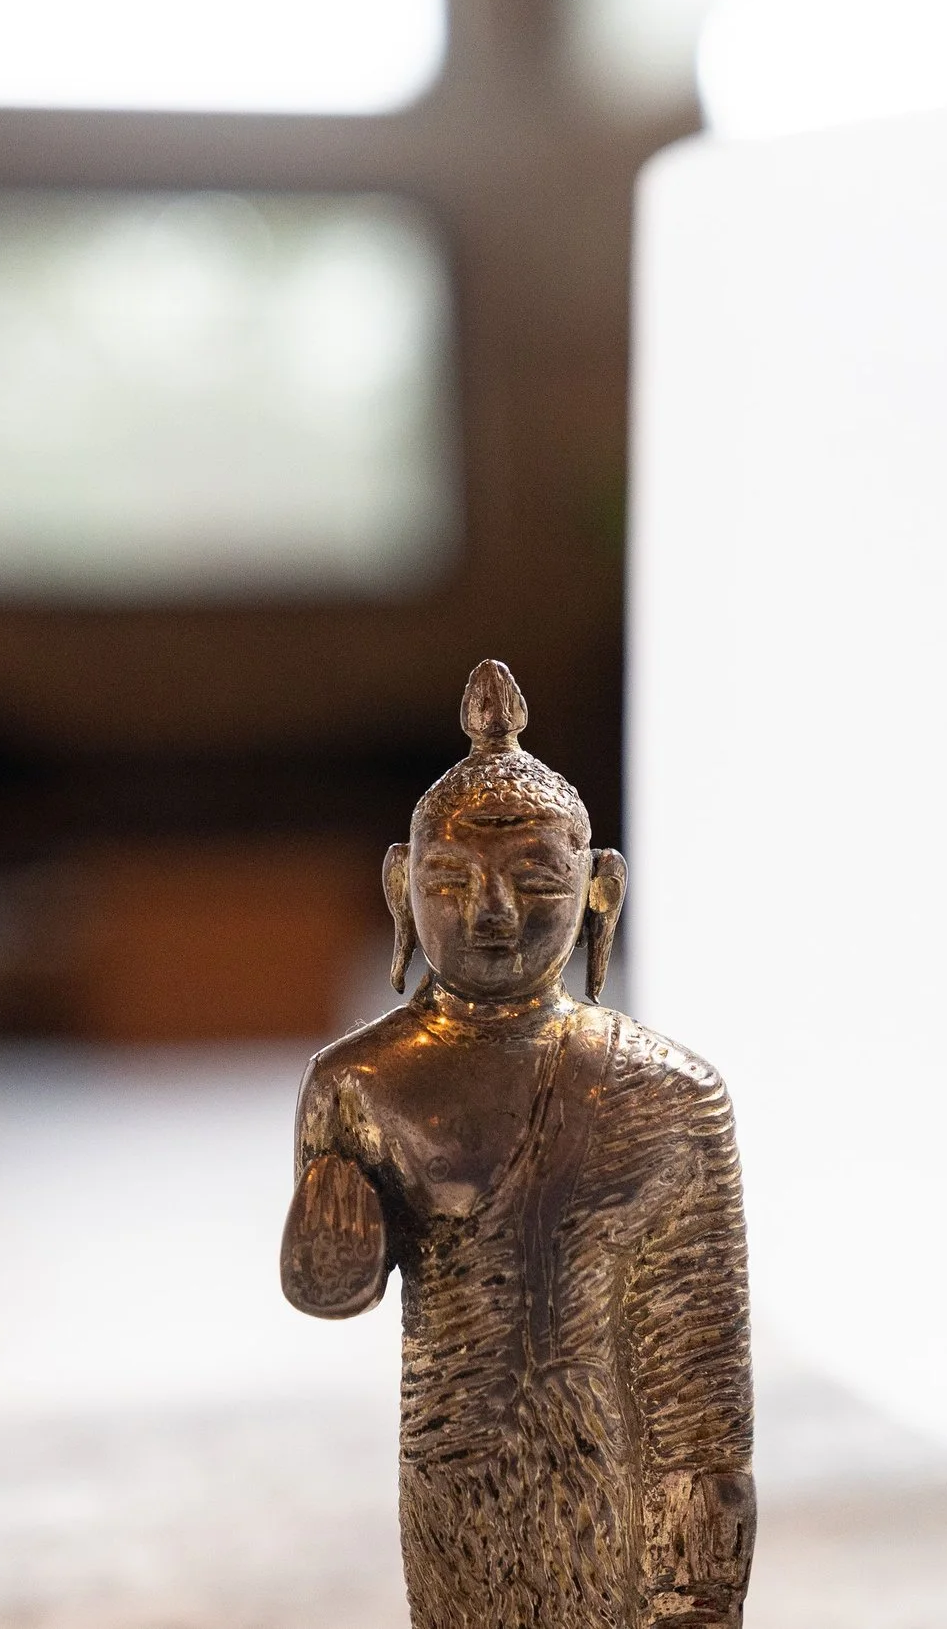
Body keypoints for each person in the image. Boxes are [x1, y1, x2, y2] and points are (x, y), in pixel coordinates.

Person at [282, 660, 756, 1629]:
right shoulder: (361, 1083)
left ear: (600, 889)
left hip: (615, 1477)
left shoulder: (666, 1091)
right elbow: (333, 1286)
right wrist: (326, 1247)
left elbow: (698, 1378)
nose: (491, 914)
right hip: (455, 1481)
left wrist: (699, 1581)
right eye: (450, 882)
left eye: (534, 880)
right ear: (398, 888)